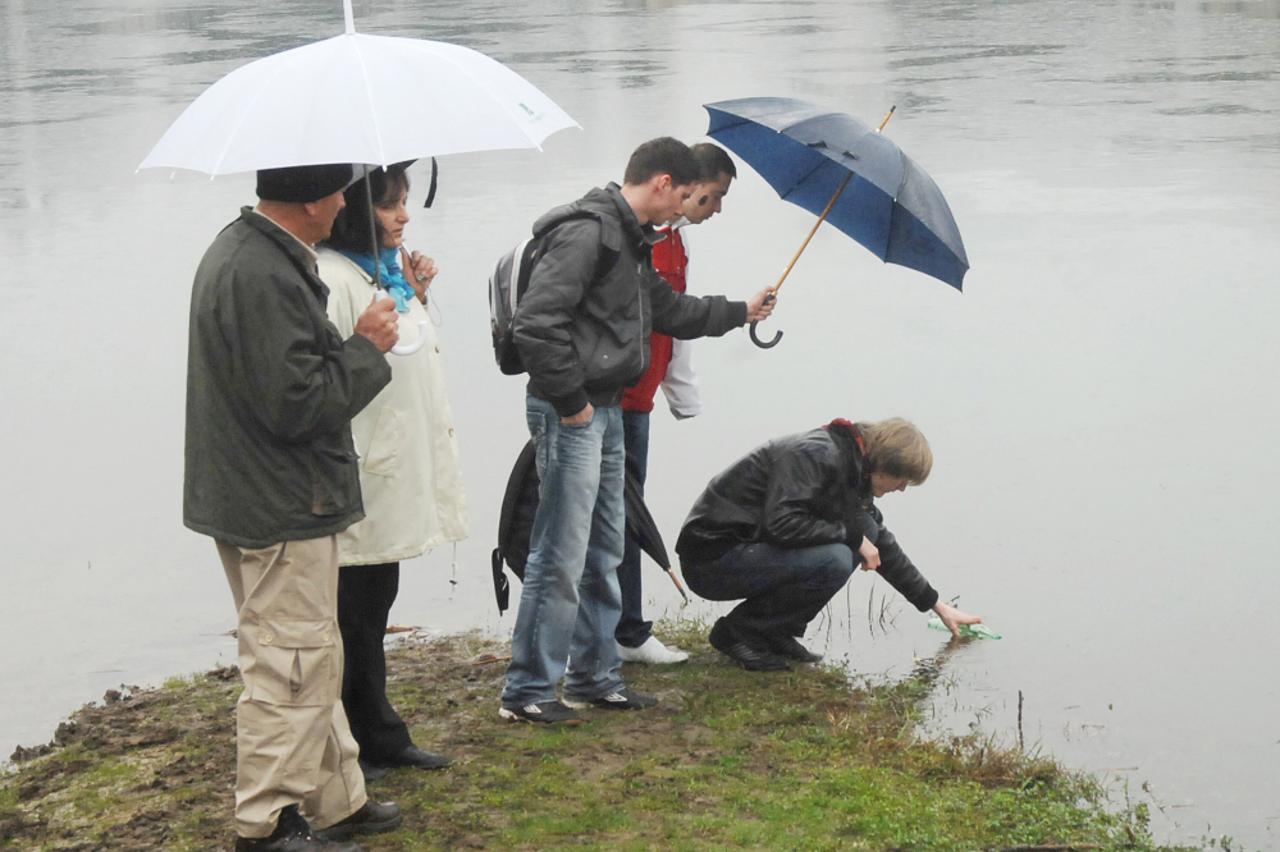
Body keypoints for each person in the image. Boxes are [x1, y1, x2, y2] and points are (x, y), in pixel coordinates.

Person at [499, 137, 775, 724]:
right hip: (571, 411)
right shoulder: (588, 233)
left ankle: (595, 677)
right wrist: (571, 400)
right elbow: (535, 324)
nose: (683, 209)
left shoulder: (629, 242)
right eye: (681, 196)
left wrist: (740, 311)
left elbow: (668, 309)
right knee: (559, 552)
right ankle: (527, 691)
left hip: (606, 411)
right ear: (660, 182)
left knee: (604, 546)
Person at [185, 163, 404, 851]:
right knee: (290, 662)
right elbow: (298, 405)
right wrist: (366, 350)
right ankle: (267, 821)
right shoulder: (264, 274)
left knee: (311, 650)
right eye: (340, 191)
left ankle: (336, 798)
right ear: (313, 199)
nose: (346, 203)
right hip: (280, 499)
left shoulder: (250, 251)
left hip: (257, 490)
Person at [318, 163, 468, 778]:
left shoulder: (380, 272)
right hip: (362, 469)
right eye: (388, 205)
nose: (403, 216)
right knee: (354, 609)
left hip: (392, 462)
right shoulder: (331, 275)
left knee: (375, 600)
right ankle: (364, 734)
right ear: (355, 209)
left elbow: (406, 349)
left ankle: (378, 728)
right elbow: (337, 370)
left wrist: (417, 294)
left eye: (404, 202)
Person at [675, 418, 982, 671]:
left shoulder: (852, 468)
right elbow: (781, 524)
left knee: (861, 538)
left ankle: (774, 633)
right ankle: (739, 634)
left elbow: (880, 544)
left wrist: (936, 605)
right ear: (884, 467)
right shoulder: (816, 455)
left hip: (747, 551)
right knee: (836, 557)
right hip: (711, 558)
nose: (901, 490)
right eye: (902, 481)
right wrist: (852, 536)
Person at [615, 142, 736, 666]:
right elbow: (663, 316)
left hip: (638, 399)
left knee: (627, 510)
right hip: (614, 398)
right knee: (618, 517)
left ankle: (621, 628)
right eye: (710, 197)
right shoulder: (640, 240)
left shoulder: (674, 242)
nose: (716, 209)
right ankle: (625, 631)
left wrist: (682, 397)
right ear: (679, 188)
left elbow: (677, 323)